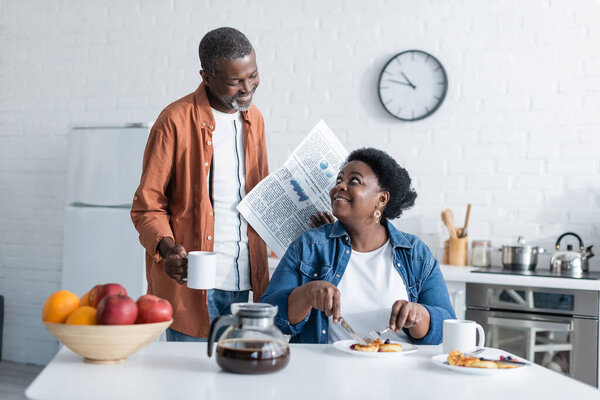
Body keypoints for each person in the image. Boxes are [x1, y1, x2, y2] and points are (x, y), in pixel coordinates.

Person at [131, 27, 269, 341]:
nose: (247, 88)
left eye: (253, 75)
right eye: (235, 81)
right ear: (206, 77)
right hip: (194, 288)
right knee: (189, 387)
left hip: (247, 284)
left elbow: (257, 196)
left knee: (237, 385)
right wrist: (168, 252)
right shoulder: (174, 121)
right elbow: (146, 206)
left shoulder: (255, 119)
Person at [260, 148, 455, 344]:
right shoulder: (309, 246)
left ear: (381, 199)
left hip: (398, 370)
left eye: (354, 181)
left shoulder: (415, 253)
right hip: (323, 370)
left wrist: (420, 315)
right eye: (338, 180)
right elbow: (267, 317)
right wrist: (307, 294)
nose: (340, 186)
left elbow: (448, 326)